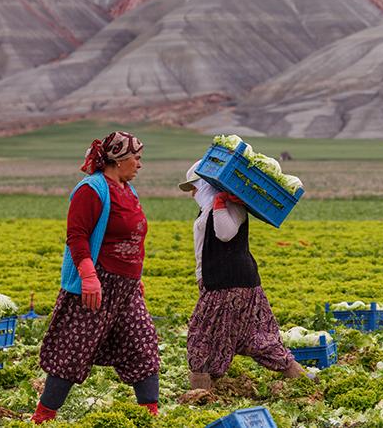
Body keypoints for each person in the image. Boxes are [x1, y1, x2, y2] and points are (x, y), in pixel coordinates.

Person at [33, 132, 159, 423]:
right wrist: (88, 276)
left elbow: (132, 238)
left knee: (143, 345)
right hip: (96, 285)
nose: (139, 164)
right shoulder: (92, 189)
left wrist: (135, 277)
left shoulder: (128, 190)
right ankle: (43, 417)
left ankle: (150, 417)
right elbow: (77, 236)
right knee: (72, 350)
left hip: (126, 289)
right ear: (118, 159)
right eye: (136, 158)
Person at [179, 160, 308, 390]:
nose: (193, 194)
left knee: (201, 337)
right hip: (234, 281)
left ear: (206, 185)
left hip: (227, 284)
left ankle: (200, 394)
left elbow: (225, 234)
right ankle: (305, 381)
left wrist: (220, 203)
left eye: (195, 188)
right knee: (258, 336)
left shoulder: (231, 204)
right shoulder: (209, 207)